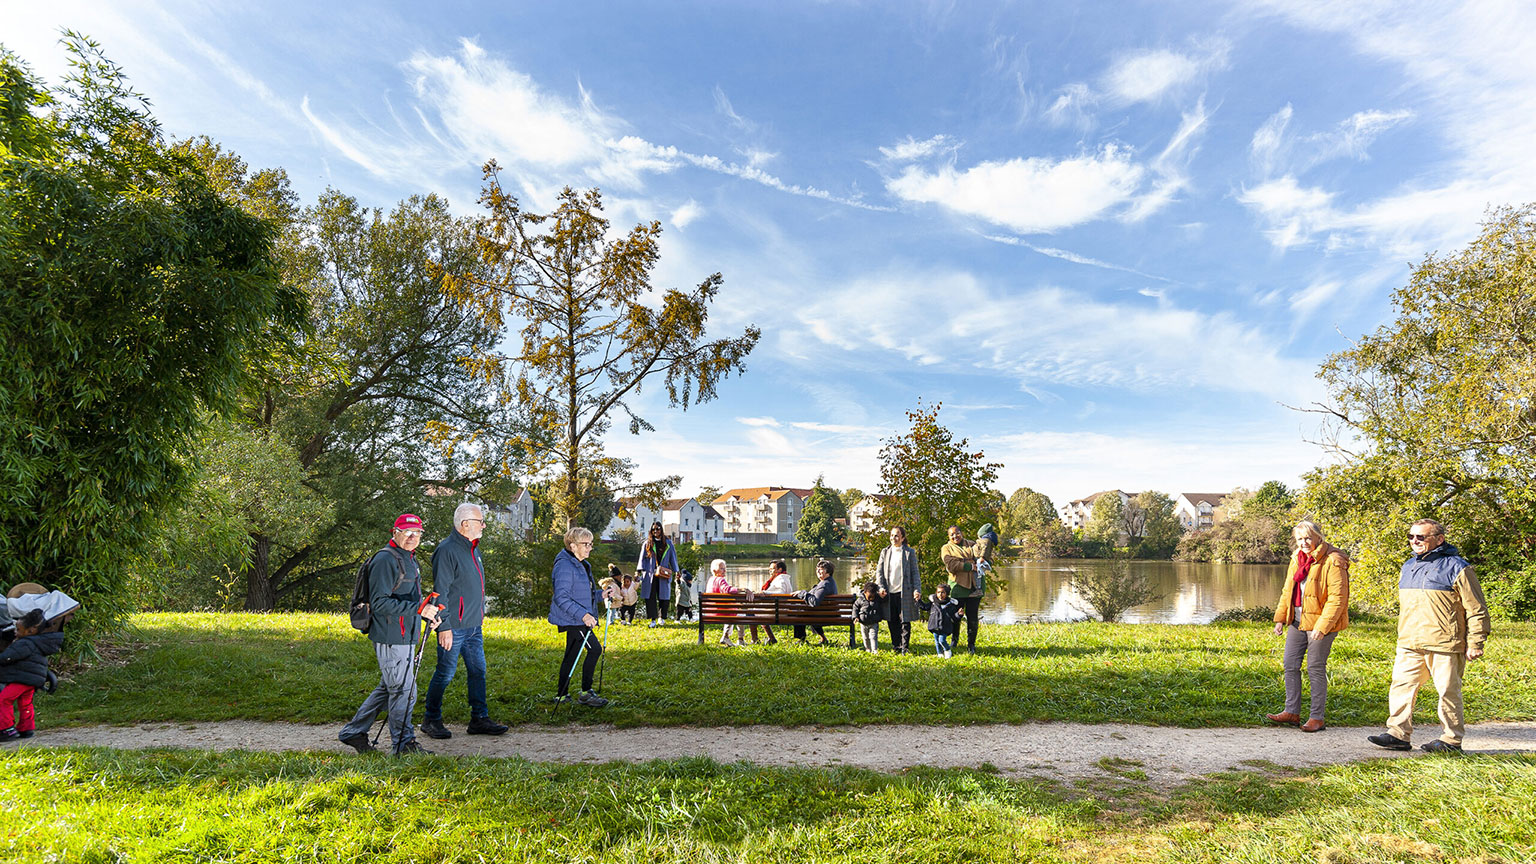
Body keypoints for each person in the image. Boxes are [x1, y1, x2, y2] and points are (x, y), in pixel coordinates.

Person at [1368, 519, 1491, 753]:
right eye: (1411, 536)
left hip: (1445, 643)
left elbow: (1477, 609)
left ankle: (1451, 740)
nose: (1414, 541)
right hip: (1409, 642)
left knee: (1448, 692)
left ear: (1439, 539)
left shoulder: (1458, 567)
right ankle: (1398, 734)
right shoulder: (1408, 566)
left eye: (1421, 537)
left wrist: (1476, 642)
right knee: (1401, 687)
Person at [339, 513, 440, 755]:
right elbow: (380, 603)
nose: (412, 537)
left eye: (417, 533)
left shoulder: (409, 558)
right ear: (394, 532)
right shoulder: (386, 559)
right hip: (391, 636)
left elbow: (409, 599)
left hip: (405, 635)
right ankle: (404, 744)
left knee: (390, 688)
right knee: (405, 691)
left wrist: (428, 614)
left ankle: (353, 732)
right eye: (406, 532)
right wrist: (419, 609)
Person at [421, 503, 507, 741]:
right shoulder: (446, 550)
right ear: (465, 524)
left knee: (478, 671)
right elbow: (441, 591)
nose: (484, 525)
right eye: (480, 521)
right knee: (445, 673)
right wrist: (444, 626)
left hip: (473, 627)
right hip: (453, 627)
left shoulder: (473, 548)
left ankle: (479, 718)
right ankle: (431, 719)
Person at [1265, 521, 1350, 732]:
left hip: (1321, 623)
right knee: (1290, 664)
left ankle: (1316, 718)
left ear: (1319, 537)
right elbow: (1288, 591)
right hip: (1297, 621)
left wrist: (1322, 627)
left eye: (1308, 538)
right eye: (1300, 539)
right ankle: (1291, 712)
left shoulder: (1334, 560)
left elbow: (1337, 599)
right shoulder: (1297, 557)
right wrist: (1280, 618)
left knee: (1315, 667)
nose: (1303, 543)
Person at [549, 526, 610, 707]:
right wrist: (584, 615)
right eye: (586, 544)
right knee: (595, 649)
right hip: (574, 619)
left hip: (577, 617)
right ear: (573, 546)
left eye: (591, 544)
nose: (590, 548)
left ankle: (562, 695)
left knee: (571, 655)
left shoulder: (582, 564)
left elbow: (583, 595)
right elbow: (561, 597)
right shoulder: (564, 566)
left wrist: (601, 595)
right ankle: (585, 693)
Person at [0, 609, 63, 741]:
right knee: (25, 702)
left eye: (18, 629)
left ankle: (6, 729)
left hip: (21, 679)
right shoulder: (38, 642)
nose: (15, 632)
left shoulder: (24, 643)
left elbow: (7, 657)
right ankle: (26, 728)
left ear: (30, 631)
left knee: (4, 699)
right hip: (32, 680)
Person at [874, 526, 920, 654]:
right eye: (892, 535)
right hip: (889, 592)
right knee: (892, 620)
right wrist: (880, 587)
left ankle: (905, 647)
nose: (893, 538)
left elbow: (915, 573)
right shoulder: (885, 552)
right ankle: (896, 646)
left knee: (904, 621)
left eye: (896, 535)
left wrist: (917, 589)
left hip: (905, 592)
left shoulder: (909, 552)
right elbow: (879, 572)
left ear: (902, 538)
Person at [941, 525, 983, 655]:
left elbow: (985, 555)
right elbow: (951, 565)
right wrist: (969, 566)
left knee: (972, 616)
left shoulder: (972, 544)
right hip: (957, 586)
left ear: (961, 532)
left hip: (974, 586)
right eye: (952, 535)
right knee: (955, 615)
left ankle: (971, 645)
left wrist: (983, 561)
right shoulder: (946, 548)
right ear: (949, 537)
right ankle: (954, 641)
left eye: (957, 533)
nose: (955, 536)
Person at [636, 523, 678, 627]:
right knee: (650, 597)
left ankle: (661, 617)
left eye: (658, 529)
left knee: (664, 596)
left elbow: (673, 558)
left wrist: (676, 571)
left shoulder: (668, 543)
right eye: (653, 529)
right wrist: (638, 571)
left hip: (663, 573)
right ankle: (653, 619)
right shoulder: (647, 543)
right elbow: (641, 558)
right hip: (650, 573)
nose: (656, 531)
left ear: (661, 530)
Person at [705, 559, 750, 646]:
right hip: (721, 613)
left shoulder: (710, 580)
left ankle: (726, 637)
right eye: (722, 568)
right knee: (740, 613)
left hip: (711, 612)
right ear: (714, 571)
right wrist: (743, 589)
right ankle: (739, 639)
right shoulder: (720, 580)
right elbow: (727, 589)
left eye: (725, 568)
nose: (725, 571)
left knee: (732, 610)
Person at [793, 559, 838, 644]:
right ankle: (823, 638)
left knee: (799, 612)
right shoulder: (829, 582)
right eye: (817, 569)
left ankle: (801, 639)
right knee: (804, 611)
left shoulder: (825, 585)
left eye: (821, 569)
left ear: (828, 571)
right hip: (826, 612)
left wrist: (802, 593)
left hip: (823, 614)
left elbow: (814, 602)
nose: (818, 571)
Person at [752, 559, 793, 645]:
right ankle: (771, 638)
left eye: (772, 569)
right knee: (758, 612)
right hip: (780, 610)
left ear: (780, 569)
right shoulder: (783, 578)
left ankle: (755, 639)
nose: (770, 571)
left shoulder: (781, 579)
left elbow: (781, 592)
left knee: (752, 613)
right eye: (769, 569)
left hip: (778, 612)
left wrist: (765, 592)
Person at [916, 583, 961, 658]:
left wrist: (959, 614)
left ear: (947, 594)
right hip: (934, 625)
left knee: (942, 640)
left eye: (943, 592)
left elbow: (954, 617)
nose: (940, 594)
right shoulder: (933, 603)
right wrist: (918, 600)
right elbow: (925, 607)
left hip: (945, 626)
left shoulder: (950, 605)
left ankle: (947, 650)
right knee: (937, 641)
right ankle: (940, 654)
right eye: (938, 592)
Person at [853, 582, 883, 653]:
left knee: (873, 636)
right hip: (863, 622)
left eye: (873, 597)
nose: (871, 599)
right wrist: (855, 617)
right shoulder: (860, 599)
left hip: (874, 622)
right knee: (865, 637)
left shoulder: (877, 598)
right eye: (869, 597)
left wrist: (882, 593)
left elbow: (885, 599)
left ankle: (874, 650)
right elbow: (855, 608)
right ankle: (868, 649)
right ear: (865, 592)